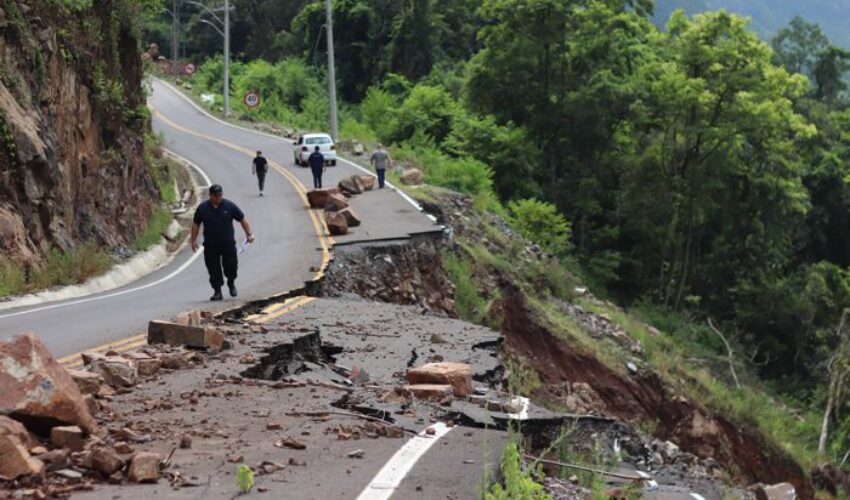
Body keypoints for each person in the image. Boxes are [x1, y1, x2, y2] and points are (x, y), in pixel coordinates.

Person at [191, 184, 254, 301]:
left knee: (231, 266)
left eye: (220, 195)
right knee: (213, 270)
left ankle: (231, 282)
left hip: (228, 244)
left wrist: (249, 234)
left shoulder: (229, 206)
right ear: (210, 196)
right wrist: (193, 240)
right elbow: (196, 224)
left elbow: (242, 219)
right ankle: (217, 291)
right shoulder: (203, 209)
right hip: (210, 245)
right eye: (216, 195)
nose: (219, 197)